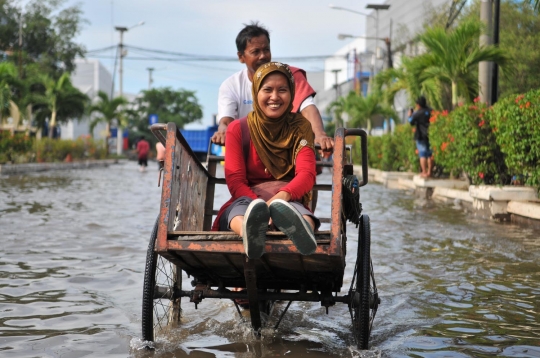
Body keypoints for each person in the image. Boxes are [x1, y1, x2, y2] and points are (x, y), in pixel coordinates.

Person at [212, 62, 321, 259]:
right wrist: (260, 207)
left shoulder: (301, 127)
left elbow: (306, 174)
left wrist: (279, 199)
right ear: (256, 92)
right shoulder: (237, 128)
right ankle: (249, 233)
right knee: (238, 215)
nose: (275, 97)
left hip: (287, 199)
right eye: (267, 89)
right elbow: (235, 181)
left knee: (303, 217)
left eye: (282, 90)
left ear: (292, 93)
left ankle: (304, 231)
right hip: (247, 198)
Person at [211, 22, 334, 153]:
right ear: (241, 57)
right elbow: (226, 121)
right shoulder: (231, 85)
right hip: (249, 153)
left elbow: (308, 107)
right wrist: (223, 132)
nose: (263, 56)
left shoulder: (291, 75)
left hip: (288, 151)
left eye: (266, 50)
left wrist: (320, 134)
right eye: (256, 52)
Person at [408, 96, 433, 178]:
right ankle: (429, 172)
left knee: (422, 154)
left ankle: (424, 172)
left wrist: (409, 115)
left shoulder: (417, 113)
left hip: (421, 136)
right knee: (429, 154)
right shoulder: (431, 111)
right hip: (430, 135)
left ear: (418, 104)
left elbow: (411, 122)